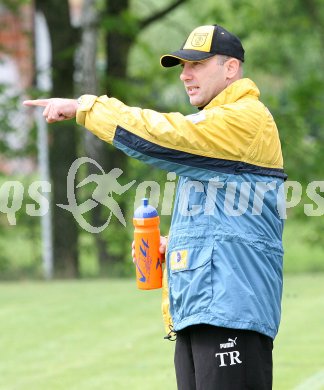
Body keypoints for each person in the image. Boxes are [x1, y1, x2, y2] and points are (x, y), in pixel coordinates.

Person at [24, 24, 286, 390]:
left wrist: (87, 107)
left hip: (232, 312)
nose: (185, 74)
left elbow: (163, 135)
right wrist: (172, 245)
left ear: (231, 68)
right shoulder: (216, 128)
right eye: (182, 66)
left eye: (197, 64)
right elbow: (225, 220)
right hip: (203, 311)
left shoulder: (246, 119)